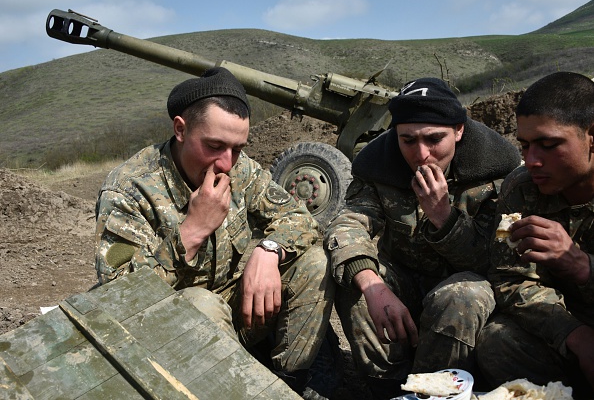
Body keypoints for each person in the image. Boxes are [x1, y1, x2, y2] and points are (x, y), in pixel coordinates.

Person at [94, 67, 335, 396]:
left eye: (237, 148)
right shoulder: (127, 191)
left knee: (315, 264)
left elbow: (299, 219)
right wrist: (191, 231)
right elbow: (121, 296)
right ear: (180, 129)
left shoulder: (240, 167)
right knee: (199, 304)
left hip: (237, 313)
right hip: (171, 333)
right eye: (214, 146)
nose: (226, 163)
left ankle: (287, 383)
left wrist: (268, 250)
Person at [324, 77, 521, 398]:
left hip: (465, 306)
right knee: (355, 280)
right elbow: (348, 225)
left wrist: (443, 217)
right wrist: (372, 286)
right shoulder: (379, 166)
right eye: (408, 140)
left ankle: (435, 391)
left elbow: (495, 261)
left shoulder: (497, 173)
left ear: (459, 130)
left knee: (465, 295)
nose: (421, 153)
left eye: (434, 139)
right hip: (403, 284)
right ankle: (387, 389)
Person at [476, 72, 594, 399]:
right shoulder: (522, 188)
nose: (532, 161)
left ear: (591, 135)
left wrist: (584, 267)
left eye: (549, 144)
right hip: (567, 329)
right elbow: (509, 278)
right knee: (496, 342)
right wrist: (575, 334)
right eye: (525, 146)